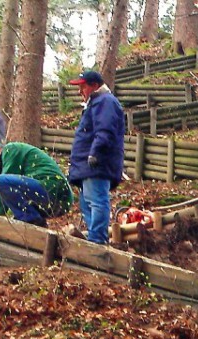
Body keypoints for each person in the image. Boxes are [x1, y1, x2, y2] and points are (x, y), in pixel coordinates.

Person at [68, 71, 124, 244]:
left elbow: (105, 130)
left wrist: (95, 153)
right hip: (87, 166)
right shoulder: (97, 103)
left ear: (94, 86)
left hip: (96, 165)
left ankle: (97, 241)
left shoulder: (105, 102)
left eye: (82, 86)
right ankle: (94, 239)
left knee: (96, 201)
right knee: (87, 204)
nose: (80, 91)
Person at [0, 142, 73, 227]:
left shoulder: (10, 149)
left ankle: (31, 219)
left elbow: (3, 188)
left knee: (0, 181)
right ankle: (36, 222)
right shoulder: (17, 154)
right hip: (62, 200)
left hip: (51, 188)